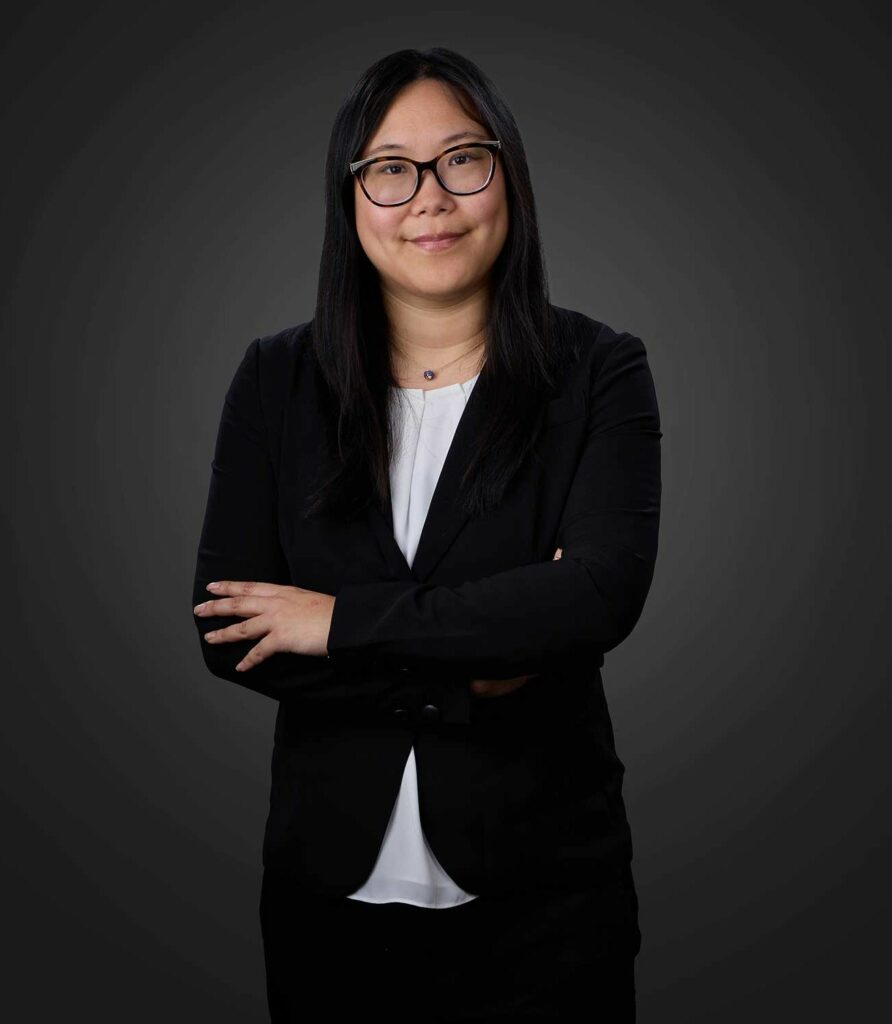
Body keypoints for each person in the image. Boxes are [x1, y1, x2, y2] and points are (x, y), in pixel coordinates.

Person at [191, 46, 661, 1023]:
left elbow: (596, 596)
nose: (430, 199)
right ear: (350, 198)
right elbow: (230, 627)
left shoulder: (598, 370)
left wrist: (335, 622)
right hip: (330, 903)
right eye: (390, 170)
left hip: (548, 899)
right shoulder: (276, 379)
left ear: (508, 177)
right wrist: (479, 656)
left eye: (462, 160)